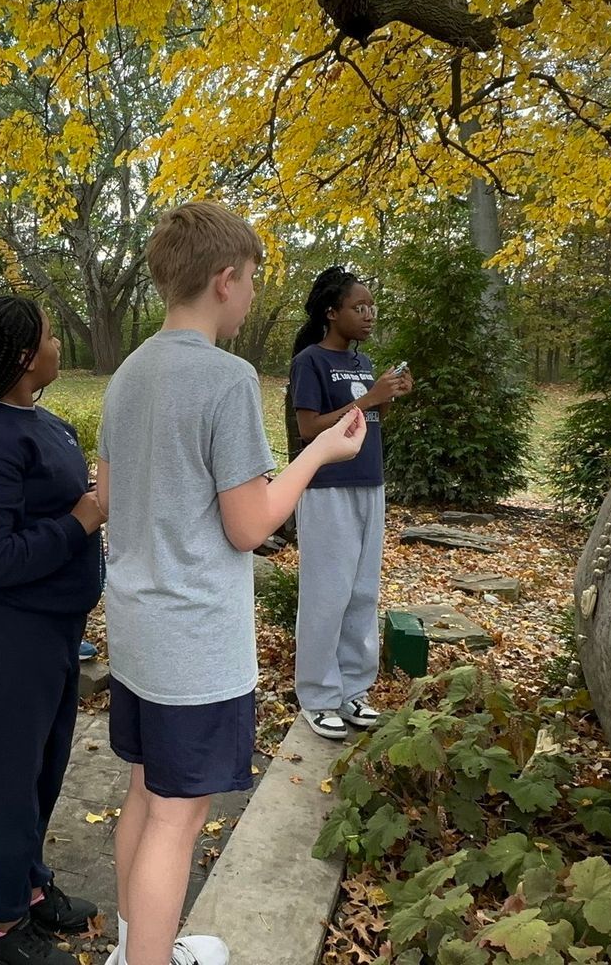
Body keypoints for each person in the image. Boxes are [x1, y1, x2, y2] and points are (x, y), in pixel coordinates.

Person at [98, 202, 367, 965]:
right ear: (224, 280)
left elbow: (113, 499)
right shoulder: (227, 378)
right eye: (250, 280)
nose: (251, 295)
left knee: (146, 796)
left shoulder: (127, 375)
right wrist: (317, 458)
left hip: (137, 629)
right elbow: (251, 526)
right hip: (194, 639)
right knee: (178, 820)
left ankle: (134, 948)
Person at [0, 296, 103, 965]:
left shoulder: (47, 424)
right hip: (10, 635)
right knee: (10, 783)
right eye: (49, 336)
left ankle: (29, 886)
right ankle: (3, 929)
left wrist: (84, 506)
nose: (59, 346)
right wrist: (82, 520)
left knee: (43, 770)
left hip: (55, 629)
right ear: (21, 355)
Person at [288, 268, 412, 740]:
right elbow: (310, 428)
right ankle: (318, 696)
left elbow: (369, 419)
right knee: (327, 594)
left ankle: (352, 691)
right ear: (330, 312)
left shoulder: (364, 363)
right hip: (327, 490)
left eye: (372, 307)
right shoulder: (310, 362)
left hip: (369, 484)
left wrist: (390, 396)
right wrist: (371, 397)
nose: (368, 315)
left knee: (362, 592)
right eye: (358, 307)